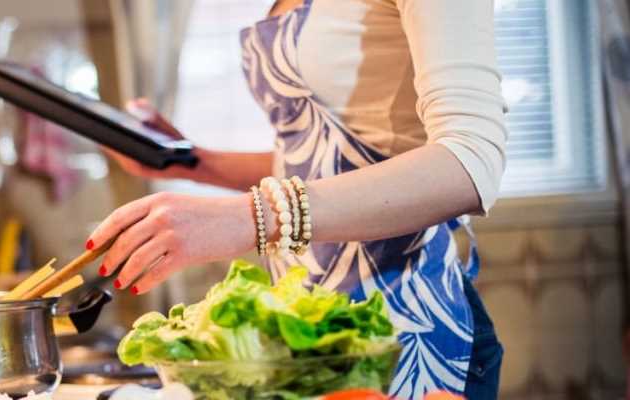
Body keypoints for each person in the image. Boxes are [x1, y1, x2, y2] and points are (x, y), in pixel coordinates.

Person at [86, 0, 506, 398]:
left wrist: (253, 216)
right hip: (309, 331)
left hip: (408, 326)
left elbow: (470, 163)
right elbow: (322, 160)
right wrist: (192, 161)